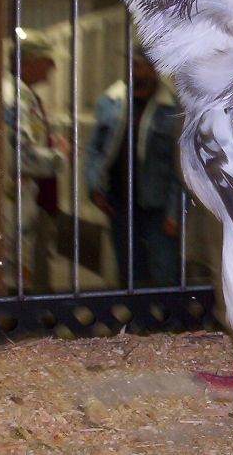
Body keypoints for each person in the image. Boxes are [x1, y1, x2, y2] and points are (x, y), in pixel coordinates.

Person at [86, 45, 182, 287]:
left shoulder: (171, 108)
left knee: (164, 270)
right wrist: (94, 186)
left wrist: (175, 212)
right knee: (129, 270)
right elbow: (95, 149)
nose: (131, 70)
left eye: (137, 66)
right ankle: (138, 313)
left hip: (158, 207)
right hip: (119, 202)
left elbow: (180, 168)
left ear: (153, 69)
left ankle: (165, 311)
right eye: (130, 64)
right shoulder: (112, 101)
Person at [1, 33, 69, 294]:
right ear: (29, 62)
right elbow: (22, 156)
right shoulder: (19, 98)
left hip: (19, 201)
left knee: (19, 272)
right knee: (16, 277)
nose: (53, 67)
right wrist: (59, 155)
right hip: (16, 204)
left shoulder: (17, 93)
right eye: (47, 61)